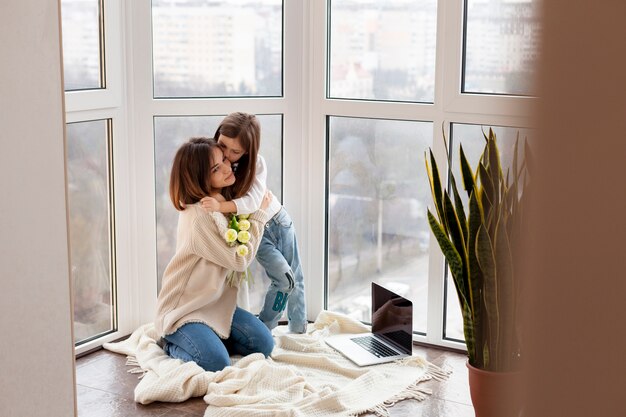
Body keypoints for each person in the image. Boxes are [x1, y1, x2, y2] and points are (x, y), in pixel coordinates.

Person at [155, 137, 274, 372]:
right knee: (217, 363)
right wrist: (260, 215)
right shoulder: (199, 218)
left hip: (215, 305)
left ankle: (209, 337)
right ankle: (169, 342)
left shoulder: (219, 203)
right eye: (216, 169)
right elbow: (239, 260)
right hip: (184, 311)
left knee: (264, 344)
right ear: (199, 178)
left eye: (224, 161)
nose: (227, 168)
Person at [201, 112, 307, 334]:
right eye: (223, 146)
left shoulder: (257, 163)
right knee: (284, 280)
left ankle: (299, 331)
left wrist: (221, 206)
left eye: (236, 151)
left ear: (248, 150)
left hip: (279, 219)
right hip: (258, 234)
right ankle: (265, 328)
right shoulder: (217, 163)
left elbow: (252, 202)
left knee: (296, 276)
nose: (228, 156)